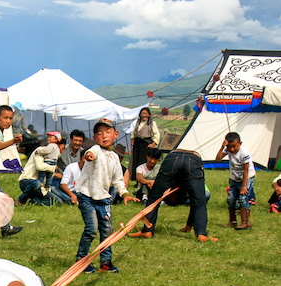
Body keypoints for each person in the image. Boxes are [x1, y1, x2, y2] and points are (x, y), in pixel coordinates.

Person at [75, 119, 138, 273]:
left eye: (108, 132)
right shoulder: (95, 149)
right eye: (99, 133)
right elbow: (91, 153)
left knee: (107, 230)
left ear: (115, 134)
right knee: (91, 229)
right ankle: (81, 261)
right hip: (87, 196)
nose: (104, 136)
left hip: (103, 198)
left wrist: (124, 194)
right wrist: (88, 155)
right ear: (95, 137)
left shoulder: (115, 158)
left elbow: (118, 179)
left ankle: (105, 262)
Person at [130, 149, 217, 243]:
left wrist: (188, 227)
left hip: (172, 158)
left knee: (154, 198)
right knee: (199, 202)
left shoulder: (176, 185)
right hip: (193, 160)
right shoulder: (184, 189)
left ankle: (147, 230)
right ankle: (201, 234)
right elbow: (196, 202)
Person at [0, 105, 23, 237]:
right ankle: (5, 228)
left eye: (11, 118)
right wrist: (13, 141)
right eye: (5, 118)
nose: (8, 121)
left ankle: (5, 227)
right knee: (0, 197)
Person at [216, 132, 255, 230]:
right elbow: (218, 159)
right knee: (231, 199)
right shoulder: (228, 150)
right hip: (234, 179)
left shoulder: (244, 154)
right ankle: (232, 221)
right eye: (229, 147)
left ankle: (245, 222)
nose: (232, 149)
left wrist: (244, 186)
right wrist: (222, 147)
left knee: (243, 199)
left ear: (240, 143)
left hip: (246, 179)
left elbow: (246, 171)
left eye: (234, 146)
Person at [17, 142, 63, 206]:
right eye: (61, 149)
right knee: (37, 183)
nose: (61, 152)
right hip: (27, 181)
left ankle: (34, 201)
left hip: (40, 188)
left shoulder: (53, 160)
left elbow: (48, 180)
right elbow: (40, 166)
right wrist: (53, 168)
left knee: (58, 202)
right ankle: (20, 199)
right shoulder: (40, 151)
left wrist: (47, 191)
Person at [130, 107, 159, 178]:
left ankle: (144, 177)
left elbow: (157, 133)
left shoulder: (152, 123)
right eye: (142, 113)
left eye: (146, 113)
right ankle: (136, 178)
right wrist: (133, 140)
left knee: (143, 161)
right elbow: (134, 132)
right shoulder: (138, 122)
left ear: (149, 115)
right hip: (137, 143)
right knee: (135, 161)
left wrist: (153, 144)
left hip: (145, 144)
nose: (144, 115)